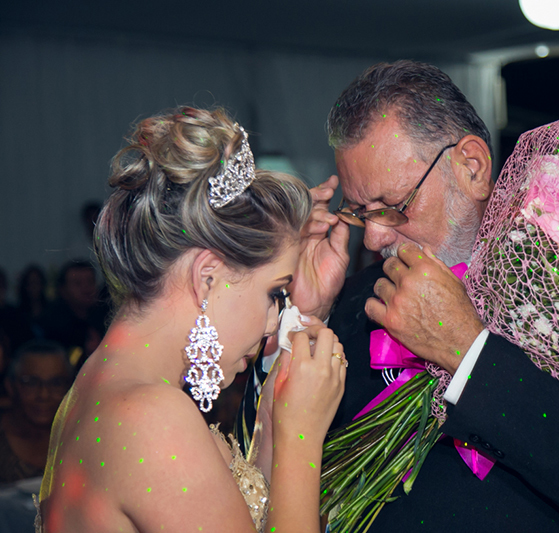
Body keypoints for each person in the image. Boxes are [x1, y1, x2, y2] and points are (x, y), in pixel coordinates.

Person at [244, 61, 559, 532]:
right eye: (359, 211)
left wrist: (470, 352)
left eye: (393, 207)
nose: (372, 238)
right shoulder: (355, 300)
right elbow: (253, 493)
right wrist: (302, 320)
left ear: (471, 167)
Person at [37, 107, 347, 533]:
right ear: (207, 278)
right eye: (275, 293)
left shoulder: (100, 386)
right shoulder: (152, 419)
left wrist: (279, 417)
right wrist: (302, 441)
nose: (274, 323)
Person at [1, 340, 73, 484]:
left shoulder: (81, 436)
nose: (44, 395)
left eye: (56, 383)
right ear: (10, 386)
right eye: (31, 383)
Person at [40, 260, 107, 364]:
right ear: (63, 290)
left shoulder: (107, 319)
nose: (86, 288)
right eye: (78, 283)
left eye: (90, 281)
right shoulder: (53, 325)